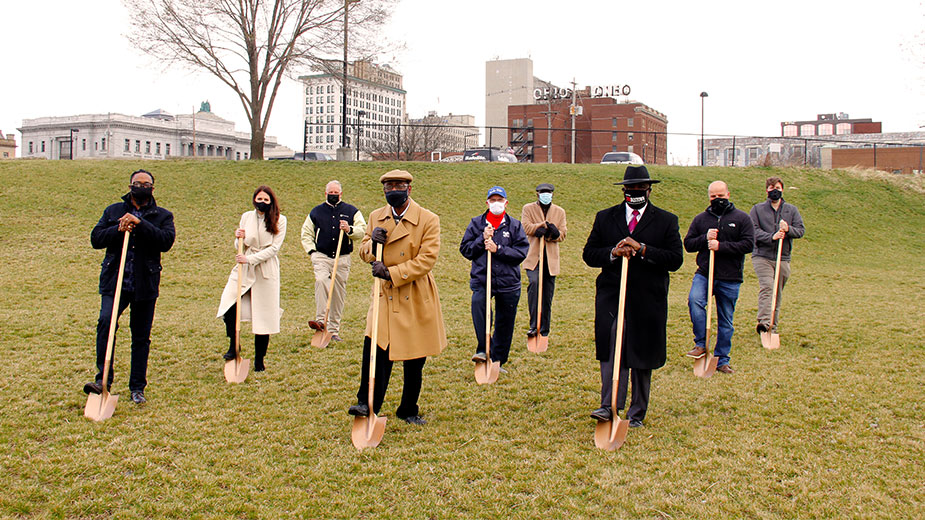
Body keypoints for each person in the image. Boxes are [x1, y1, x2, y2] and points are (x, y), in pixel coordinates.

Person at [583, 165, 683, 428]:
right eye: (630, 189)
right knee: (611, 346)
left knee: (641, 351)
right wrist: (614, 253)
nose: (635, 193)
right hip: (612, 294)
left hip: (647, 298)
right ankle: (609, 404)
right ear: (624, 190)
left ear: (649, 190)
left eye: (640, 189)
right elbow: (589, 254)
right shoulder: (606, 218)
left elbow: (675, 260)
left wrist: (643, 249)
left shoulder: (666, 221)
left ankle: (637, 412)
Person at [347, 170, 447, 425]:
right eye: (389, 187)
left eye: (398, 186)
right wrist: (372, 245)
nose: (393, 191)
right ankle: (366, 403)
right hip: (384, 295)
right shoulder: (375, 217)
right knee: (375, 349)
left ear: (409, 189)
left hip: (414, 293)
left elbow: (427, 260)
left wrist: (392, 272)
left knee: (415, 357)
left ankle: (408, 409)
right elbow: (364, 251)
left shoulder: (428, 219)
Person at [84, 169, 175, 405]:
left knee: (141, 336)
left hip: (144, 284)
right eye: (137, 183)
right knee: (106, 323)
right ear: (129, 186)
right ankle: (103, 379)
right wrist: (118, 229)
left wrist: (139, 223)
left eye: (146, 184)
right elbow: (96, 238)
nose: (141, 187)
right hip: (115, 282)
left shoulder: (162, 215)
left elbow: (165, 242)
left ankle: (137, 387)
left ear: (152, 189)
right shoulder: (114, 211)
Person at [683, 181, 755, 374]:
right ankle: (700, 344)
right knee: (695, 301)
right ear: (709, 197)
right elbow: (688, 244)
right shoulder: (701, 219)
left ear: (728, 194)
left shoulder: (741, 218)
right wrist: (705, 239)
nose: (717, 200)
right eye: (714, 197)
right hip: (705, 273)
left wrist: (721, 246)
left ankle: (722, 359)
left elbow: (749, 244)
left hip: (730, 277)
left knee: (726, 320)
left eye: (720, 196)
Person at [217, 186, 287, 372]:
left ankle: (259, 361)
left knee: (263, 317)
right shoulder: (246, 216)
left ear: (271, 201)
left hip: (265, 269)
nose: (261, 203)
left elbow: (273, 249)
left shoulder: (280, 220)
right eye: (259, 199)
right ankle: (234, 346)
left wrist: (250, 259)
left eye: (265, 200)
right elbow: (241, 244)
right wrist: (237, 238)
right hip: (244, 267)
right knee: (230, 305)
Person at [460, 186, 529, 370]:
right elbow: (466, 250)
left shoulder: (515, 225)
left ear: (506, 202)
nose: (496, 203)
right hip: (483, 279)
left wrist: (497, 249)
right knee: (480, 311)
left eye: (500, 200)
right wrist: (481, 240)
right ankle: (483, 348)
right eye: (493, 200)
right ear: (487, 203)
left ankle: (498, 361)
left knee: (505, 322)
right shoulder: (476, 224)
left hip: (509, 282)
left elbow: (521, 253)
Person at [301, 180, 366, 342]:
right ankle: (321, 321)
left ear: (341, 194)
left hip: (342, 258)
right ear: (325, 194)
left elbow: (363, 230)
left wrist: (349, 229)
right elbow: (306, 233)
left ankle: (333, 330)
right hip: (321, 256)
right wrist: (312, 252)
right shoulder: (316, 212)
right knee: (321, 281)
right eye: (331, 193)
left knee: (338, 293)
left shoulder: (352, 211)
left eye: (336, 193)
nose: (333, 195)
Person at [750, 176, 805, 335]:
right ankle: (764, 323)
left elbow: (800, 230)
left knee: (777, 291)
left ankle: (772, 326)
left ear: (782, 190)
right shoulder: (757, 209)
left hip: (783, 257)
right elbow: (753, 231)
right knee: (767, 286)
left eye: (778, 188)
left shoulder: (791, 210)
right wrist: (771, 237)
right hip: (762, 256)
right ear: (767, 190)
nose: (775, 191)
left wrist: (788, 229)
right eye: (772, 188)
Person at [521, 183, 567, 340]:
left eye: (548, 193)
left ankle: (544, 329)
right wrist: (539, 227)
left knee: (547, 295)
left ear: (553, 194)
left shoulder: (559, 212)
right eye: (542, 192)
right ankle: (534, 325)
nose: (545, 195)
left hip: (550, 259)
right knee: (534, 285)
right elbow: (526, 227)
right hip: (534, 257)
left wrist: (553, 234)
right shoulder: (528, 209)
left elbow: (562, 233)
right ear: (537, 194)